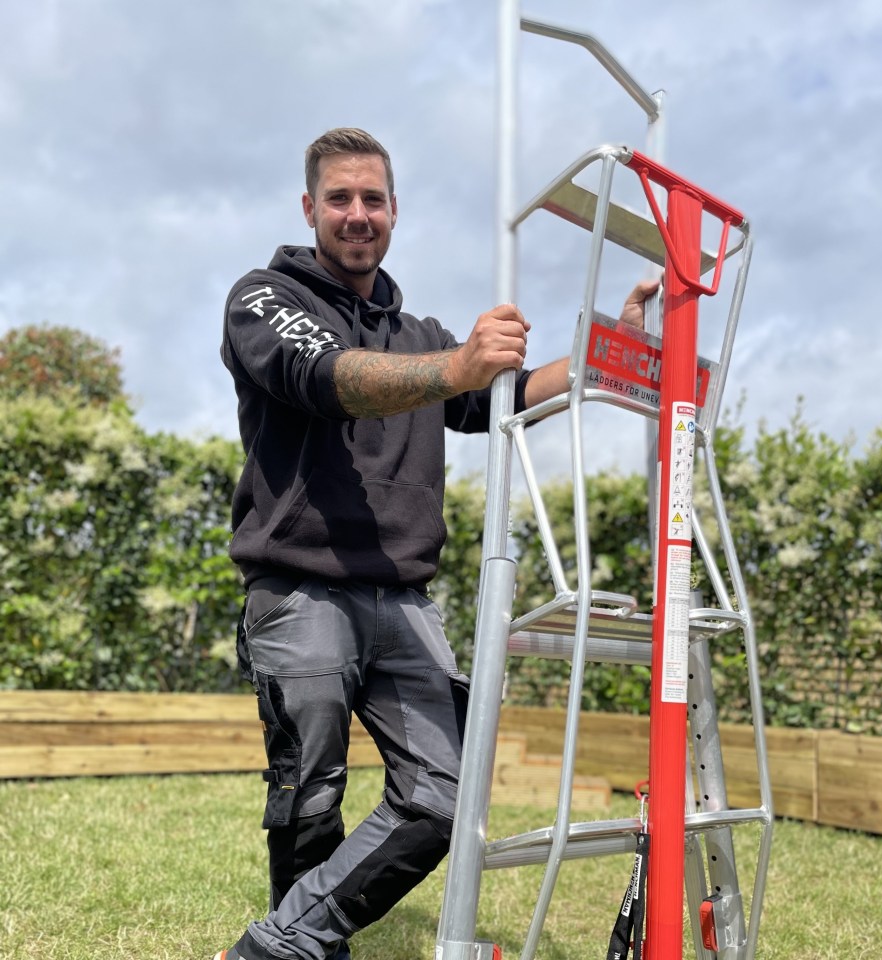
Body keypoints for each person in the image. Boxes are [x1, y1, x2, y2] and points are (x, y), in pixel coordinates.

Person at [215, 127, 656, 960]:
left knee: (448, 793)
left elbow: (505, 398)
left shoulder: (420, 334)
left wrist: (612, 352)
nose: (356, 214)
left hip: (403, 597)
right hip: (301, 588)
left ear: (394, 212)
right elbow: (328, 376)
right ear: (309, 207)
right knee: (309, 796)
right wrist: (459, 367)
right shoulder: (263, 298)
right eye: (339, 198)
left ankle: (279, 944)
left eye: (372, 199)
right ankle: (309, 948)